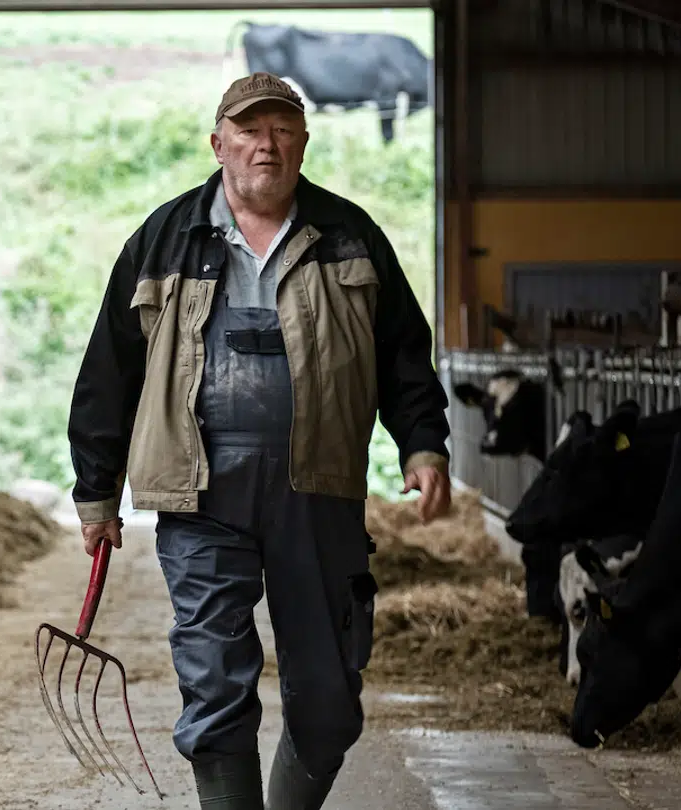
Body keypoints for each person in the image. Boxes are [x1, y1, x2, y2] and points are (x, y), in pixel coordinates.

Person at [66, 73, 452, 810]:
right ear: (218, 145)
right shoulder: (164, 239)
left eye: (281, 131)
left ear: (303, 144)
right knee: (213, 683)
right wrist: (96, 492)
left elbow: (403, 352)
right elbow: (109, 371)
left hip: (318, 489)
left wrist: (423, 444)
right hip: (200, 492)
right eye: (249, 131)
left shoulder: (350, 235)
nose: (265, 146)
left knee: (329, 700)